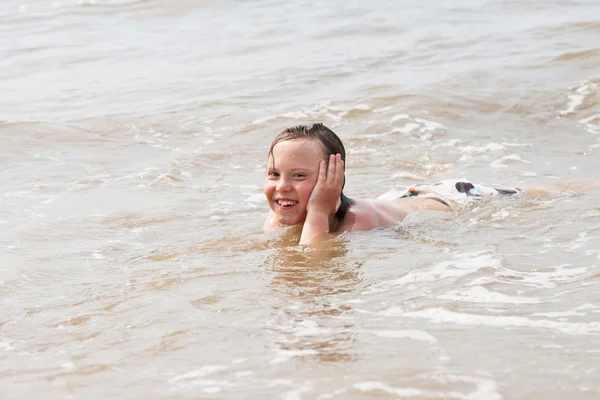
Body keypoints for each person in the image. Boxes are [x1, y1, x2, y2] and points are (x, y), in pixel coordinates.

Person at [262, 123, 579, 245]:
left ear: (335, 178)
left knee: (537, 194)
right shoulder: (277, 218)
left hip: (454, 198)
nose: (282, 187)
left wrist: (318, 210)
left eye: (299, 176)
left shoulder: (358, 222)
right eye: (275, 174)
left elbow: (312, 264)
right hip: (400, 196)